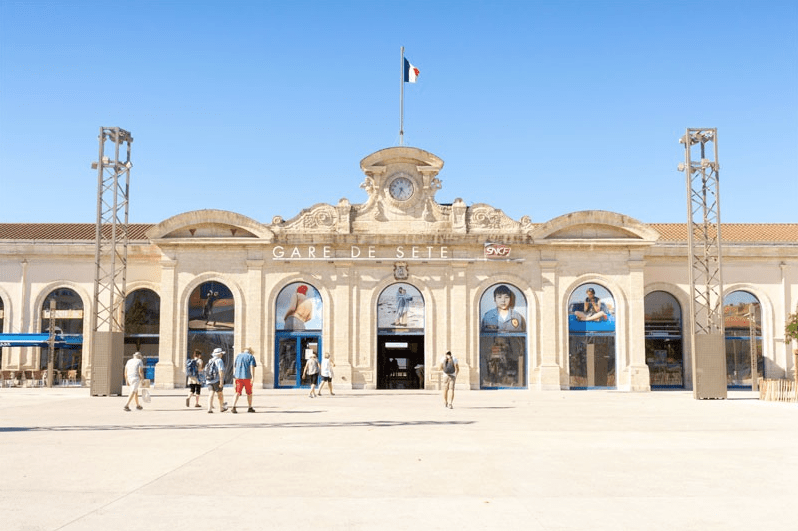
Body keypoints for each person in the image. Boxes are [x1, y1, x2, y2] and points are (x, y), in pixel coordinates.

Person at [232, 347, 257, 413]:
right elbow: (252, 367)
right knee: (249, 393)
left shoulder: (238, 356)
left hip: (238, 377)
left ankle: (233, 406)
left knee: (237, 392)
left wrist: (235, 375)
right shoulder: (251, 357)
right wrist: (253, 377)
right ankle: (250, 407)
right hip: (247, 377)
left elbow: (235, 366)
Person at [205, 348, 228, 413]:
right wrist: (221, 381)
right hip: (216, 380)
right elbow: (221, 371)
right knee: (220, 394)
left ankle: (209, 408)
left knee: (211, 393)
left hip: (209, 380)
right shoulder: (219, 360)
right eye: (221, 354)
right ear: (219, 354)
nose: (222, 355)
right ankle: (221, 408)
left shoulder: (210, 360)